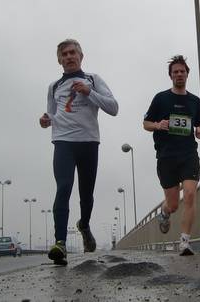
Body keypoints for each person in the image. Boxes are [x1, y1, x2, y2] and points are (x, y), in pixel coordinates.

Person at [39, 39, 118, 265]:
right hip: (63, 142)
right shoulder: (53, 87)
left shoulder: (93, 80)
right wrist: (46, 120)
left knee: (86, 193)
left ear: (81, 56)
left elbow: (113, 108)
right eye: (64, 54)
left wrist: (89, 92)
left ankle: (84, 224)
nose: (69, 57)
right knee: (63, 187)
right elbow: (52, 115)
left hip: (89, 142)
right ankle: (60, 243)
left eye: (73, 53)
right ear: (59, 60)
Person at [143, 55, 200, 256]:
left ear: (187, 74)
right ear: (170, 76)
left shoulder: (195, 101)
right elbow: (145, 123)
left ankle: (185, 242)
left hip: (188, 154)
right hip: (166, 156)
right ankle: (164, 212)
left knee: (189, 194)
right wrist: (157, 125)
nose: (179, 74)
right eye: (175, 72)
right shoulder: (161, 98)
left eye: (182, 71)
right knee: (172, 204)